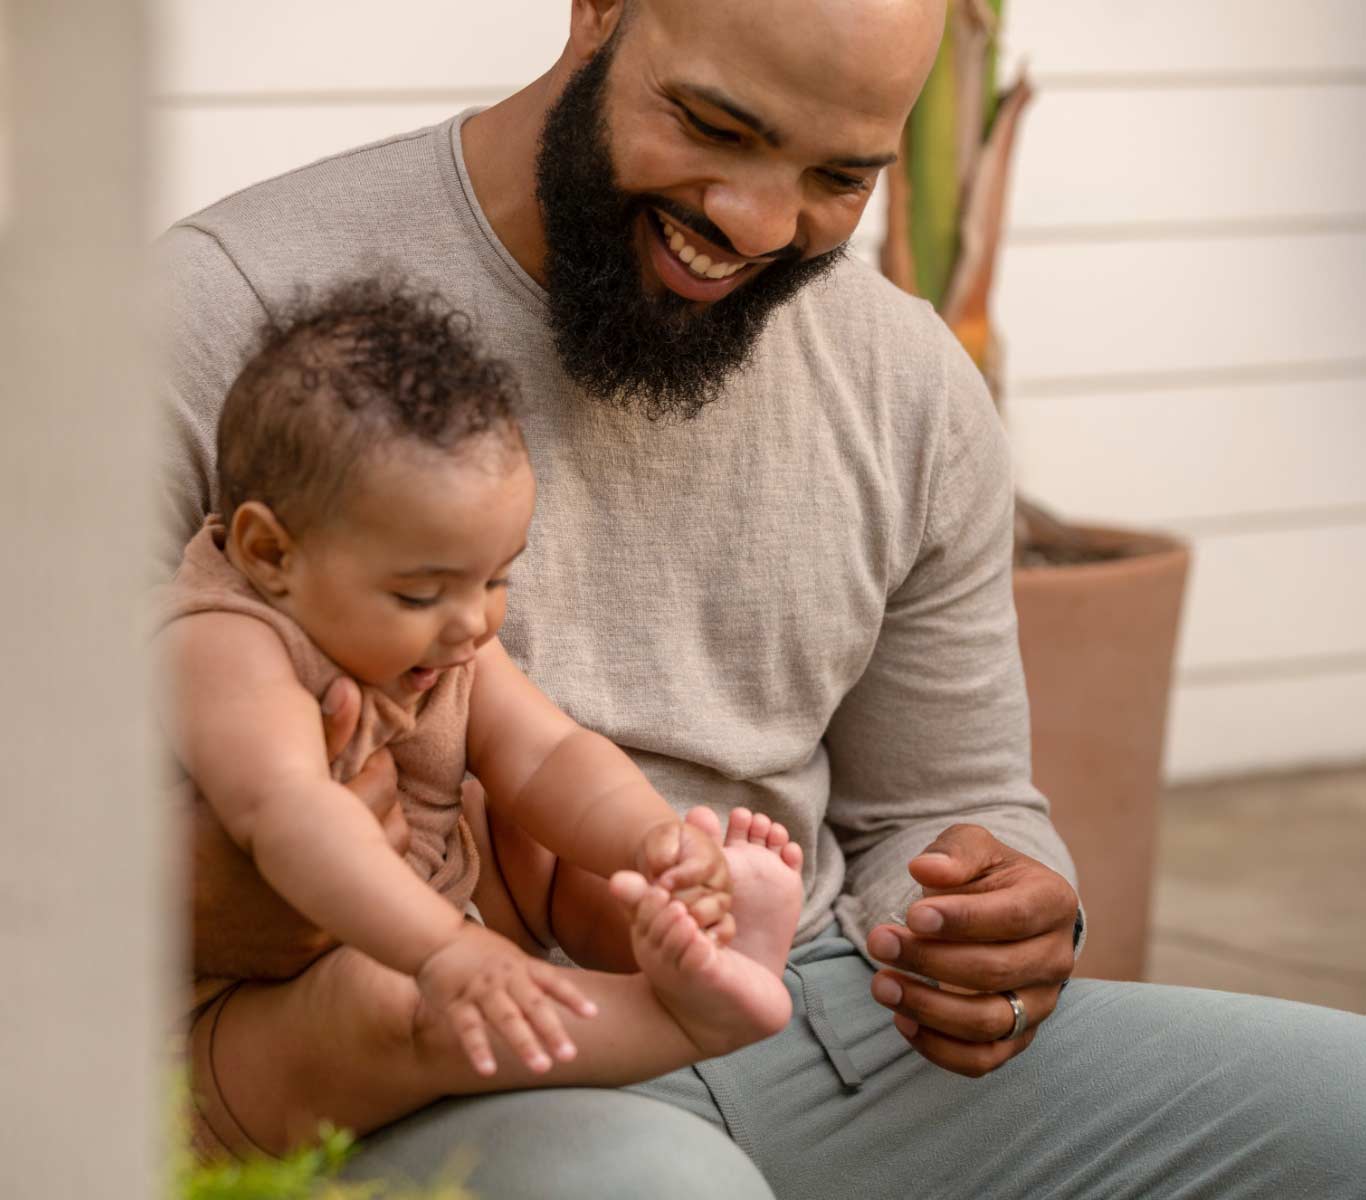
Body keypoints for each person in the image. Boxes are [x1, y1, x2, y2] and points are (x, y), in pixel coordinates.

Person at [157, 0, 1366, 1195]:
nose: (757, 223)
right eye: (712, 126)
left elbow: (949, 796)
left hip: (809, 1015)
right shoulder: (224, 315)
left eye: (841, 178)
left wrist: (982, 906)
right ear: (598, 10)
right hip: (435, 1059)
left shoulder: (908, 385)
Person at [157, 279, 804, 1159]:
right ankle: (681, 1023)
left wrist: (653, 842)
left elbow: (546, 755)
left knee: (544, 841)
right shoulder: (222, 642)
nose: (473, 623)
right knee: (390, 1005)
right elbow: (289, 813)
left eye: (497, 578)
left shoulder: (439, 636)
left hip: (435, 929)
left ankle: (699, 922)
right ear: (271, 552)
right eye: (422, 592)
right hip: (227, 1038)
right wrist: (441, 953)